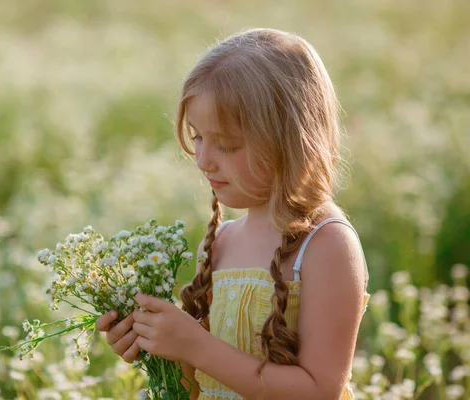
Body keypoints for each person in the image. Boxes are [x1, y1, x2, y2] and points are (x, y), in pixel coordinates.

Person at [95, 28, 371, 399]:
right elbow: (200, 385)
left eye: (225, 144)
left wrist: (194, 345)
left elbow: (320, 392)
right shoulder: (221, 242)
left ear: (287, 140)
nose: (204, 161)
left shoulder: (327, 244)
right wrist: (155, 345)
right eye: (197, 137)